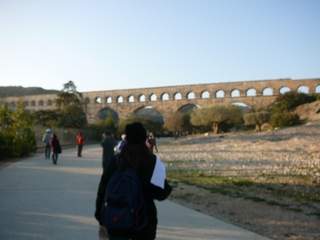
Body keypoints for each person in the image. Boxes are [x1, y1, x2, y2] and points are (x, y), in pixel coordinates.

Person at [95, 122, 172, 240]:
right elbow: (161, 194)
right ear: (143, 138)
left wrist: (100, 215)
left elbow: (103, 188)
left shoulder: (116, 160)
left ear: (127, 138)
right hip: (143, 221)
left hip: (117, 218)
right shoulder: (150, 161)